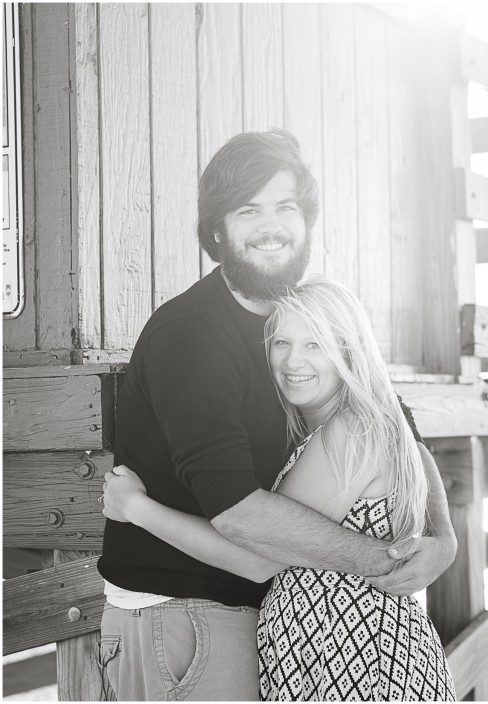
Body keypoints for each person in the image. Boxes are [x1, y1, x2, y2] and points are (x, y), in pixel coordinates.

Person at [95, 130, 456, 700]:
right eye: (248, 210)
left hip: (289, 633)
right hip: (186, 614)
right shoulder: (194, 336)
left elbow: (397, 425)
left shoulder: (302, 311)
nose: (271, 225)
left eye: (285, 206)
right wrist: (385, 562)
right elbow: (242, 522)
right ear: (217, 231)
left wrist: (443, 536)